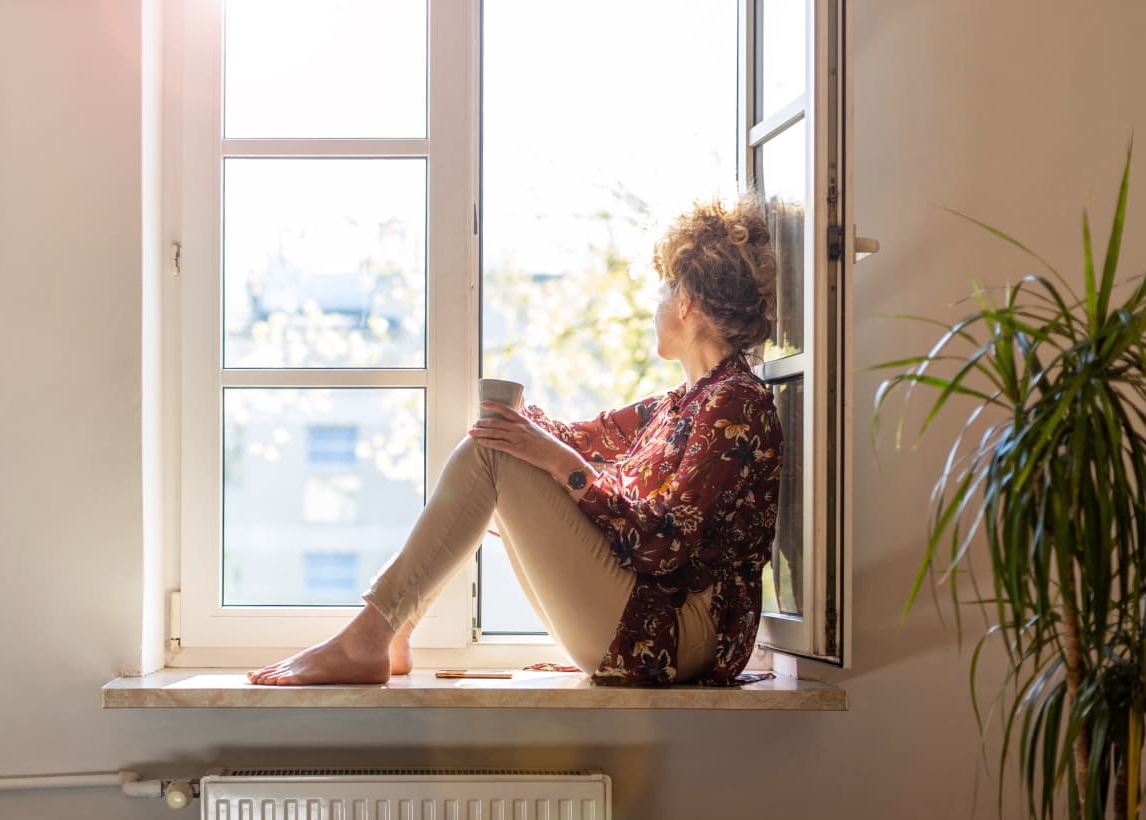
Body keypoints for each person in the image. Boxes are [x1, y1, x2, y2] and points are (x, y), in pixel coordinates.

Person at [248, 195, 783, 688]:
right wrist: (514, 424)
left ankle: (372, 635)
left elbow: (662, 544)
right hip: (650, 623)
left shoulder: (734, 404)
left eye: (664, 289)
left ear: (687, 300)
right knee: (498, 450)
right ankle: (391, 630)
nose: (656, 305)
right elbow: (575, 436)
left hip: (676, 636)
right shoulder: (680, 404)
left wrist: (548, 458)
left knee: (494, 455)